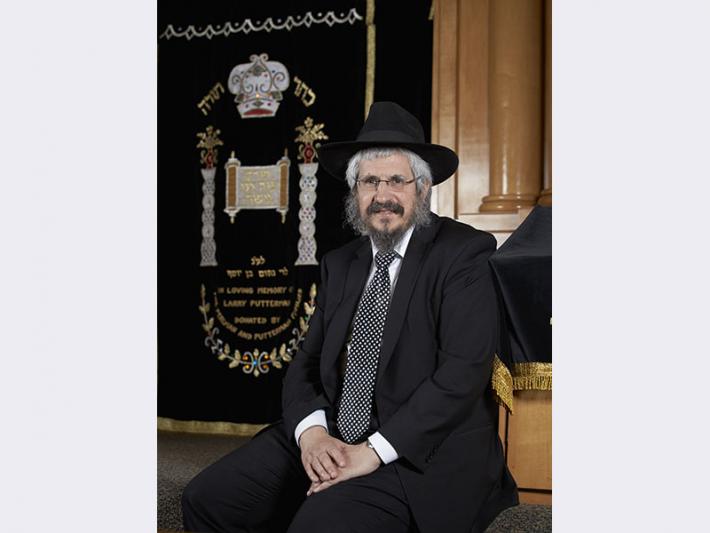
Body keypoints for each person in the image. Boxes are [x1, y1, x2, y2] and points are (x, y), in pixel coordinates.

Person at [182, 102, 518, 533]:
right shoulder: (341, 263)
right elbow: (304, 364)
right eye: (369, 181)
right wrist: (312, 435)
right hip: (334, 434)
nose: (383, 195)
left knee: (319, 526)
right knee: (209, 500)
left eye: (396, 180)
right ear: (354, 191)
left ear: (422, 187)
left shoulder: (463, 254)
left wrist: (373, 451)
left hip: (419, 451)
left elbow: (462, 375)